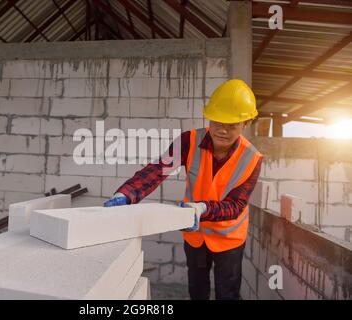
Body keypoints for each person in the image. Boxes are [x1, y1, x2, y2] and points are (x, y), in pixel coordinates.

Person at [104, 79, 263, 300]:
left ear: (246, 124)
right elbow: (159, 169)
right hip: (195, 235)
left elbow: (236, 205)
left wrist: (202, 209)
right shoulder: (189, 141)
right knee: (197, 290)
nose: (222, 130)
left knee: (228, 294)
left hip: (229, 239)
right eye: (217, 122)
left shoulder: (252, 158)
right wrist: (127, 193)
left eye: (231, 125)